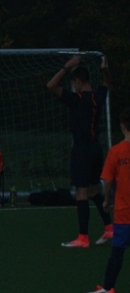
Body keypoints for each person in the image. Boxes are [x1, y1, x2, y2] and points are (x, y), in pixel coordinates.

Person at [47, 54, 113, 247]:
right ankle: (110, 227)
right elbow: (108, 83)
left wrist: (67, 66)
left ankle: (83, 237)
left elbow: (51, 85)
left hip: (82, 151)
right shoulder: (98, 97)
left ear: (78, 82)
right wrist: (105, 70)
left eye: (74, 82)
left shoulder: (76, 99)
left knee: (81, 194)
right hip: (96, 149)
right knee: (94, 190)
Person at [85, 108, 130, 293]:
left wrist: (106, 200)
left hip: (123, 212)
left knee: (117, 252)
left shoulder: (116, 151)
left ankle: (108, 288)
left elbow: (108, 180)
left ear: (122, 126)